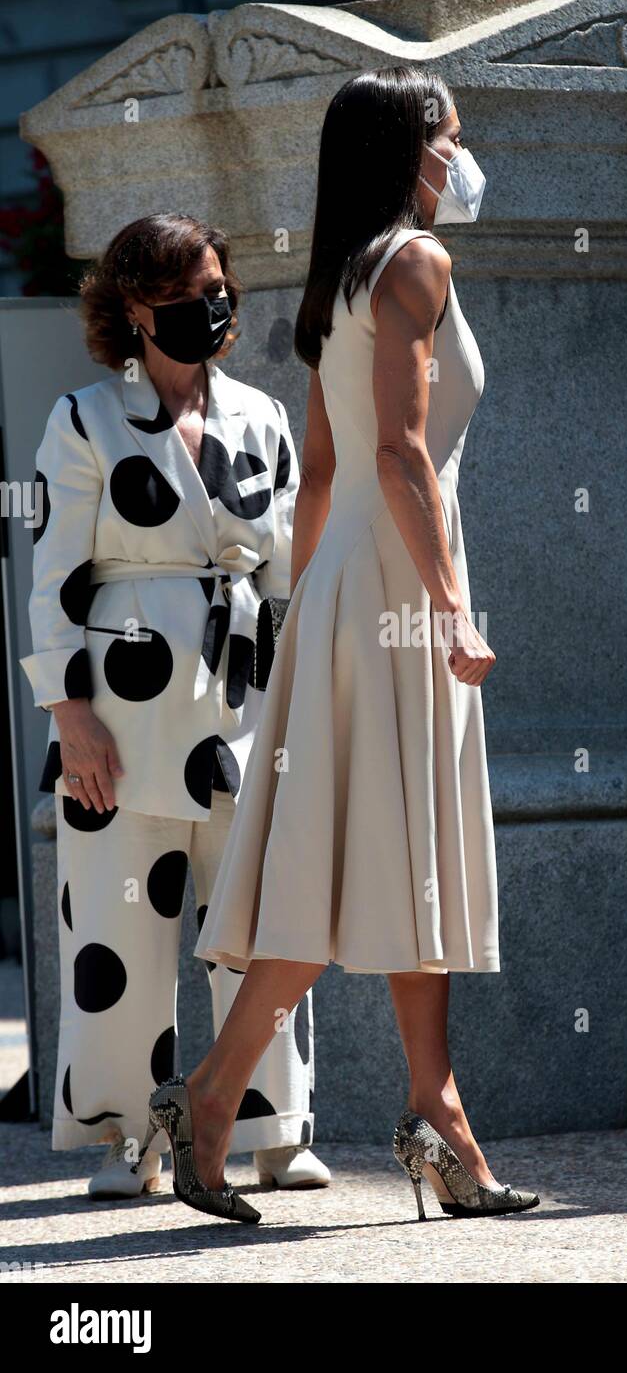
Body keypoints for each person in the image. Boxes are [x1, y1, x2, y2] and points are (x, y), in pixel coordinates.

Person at [134, 69, 540, 1224]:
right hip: (397, 585)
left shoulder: (342, 276)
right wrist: (452, 607)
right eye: (453, 137)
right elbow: (403, 454)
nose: (464, 156)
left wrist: (304, 603)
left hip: (347, 585)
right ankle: (238, 1100)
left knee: (373, 853)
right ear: (413, 150)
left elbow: (322, 465)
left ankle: (423, 1111)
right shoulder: (411, 264)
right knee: (367, 852)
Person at [20, 213, 328, 1198]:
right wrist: (69, 715)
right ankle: (132, 1137)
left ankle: (274, 1126)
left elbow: (288, 576)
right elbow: (52, 575)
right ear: (133, 311)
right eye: (183, 296)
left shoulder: (261, 417)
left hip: (242, 703)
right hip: (120, 707)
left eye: (213, 287)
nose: (208, 308)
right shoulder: (82, 418)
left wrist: (307, 706)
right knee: (120, 926)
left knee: (259, 916)